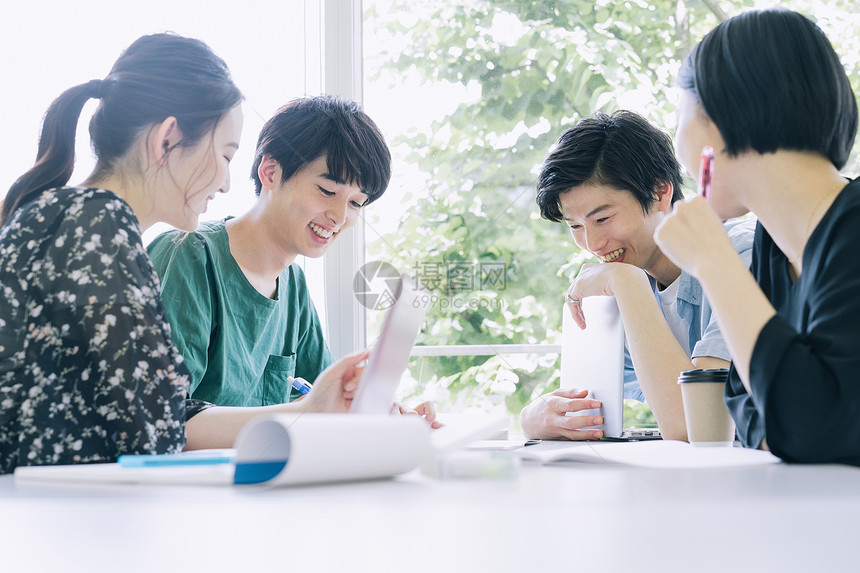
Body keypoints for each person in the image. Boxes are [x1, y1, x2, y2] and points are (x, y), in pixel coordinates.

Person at [0, 34, 369, 475]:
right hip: (50, 514)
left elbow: (161, 416)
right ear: (168, 139)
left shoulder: (74, 218)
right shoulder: (97, 229)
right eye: (225, 154)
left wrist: (319, 408)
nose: (228, 182)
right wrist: (307, 411)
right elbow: (158, 431)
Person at [654, 9, 860, 464]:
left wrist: (713, 260)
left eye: (680, 114)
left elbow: (814, 428)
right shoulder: (770, 244)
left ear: (724, 117)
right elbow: (745, 407)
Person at [520, 110, 755, 441]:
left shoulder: (741, 253)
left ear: (660, 193)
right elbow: (585, 407)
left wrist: (626, 283)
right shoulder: (629, 285)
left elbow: (698, 426)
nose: (592, 245)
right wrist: (536, 417)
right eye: (575, 226)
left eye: (602, 219)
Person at [147, 96, 386, 407]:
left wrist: (389, 415)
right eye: (327, 191)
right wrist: (306, 412)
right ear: (270, 172)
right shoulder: (189, 256)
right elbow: (163, 419)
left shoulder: (293, 285)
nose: (340, 217)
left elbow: (329, 401)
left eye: (355, 203)